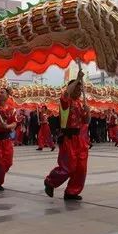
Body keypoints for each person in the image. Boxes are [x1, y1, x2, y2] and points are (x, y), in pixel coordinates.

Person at [44, 70, 91, 200]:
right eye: (77, 87)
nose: (79, 90)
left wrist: (88, 112)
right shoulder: (66, 101)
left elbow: (86, 122)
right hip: (68, 138)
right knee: (68, 167)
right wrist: (77, 79)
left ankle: (72, 192)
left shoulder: (81, 104)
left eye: (80, 88)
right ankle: (50, 181)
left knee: (81, 168)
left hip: (80, 140)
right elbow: (66, 92)